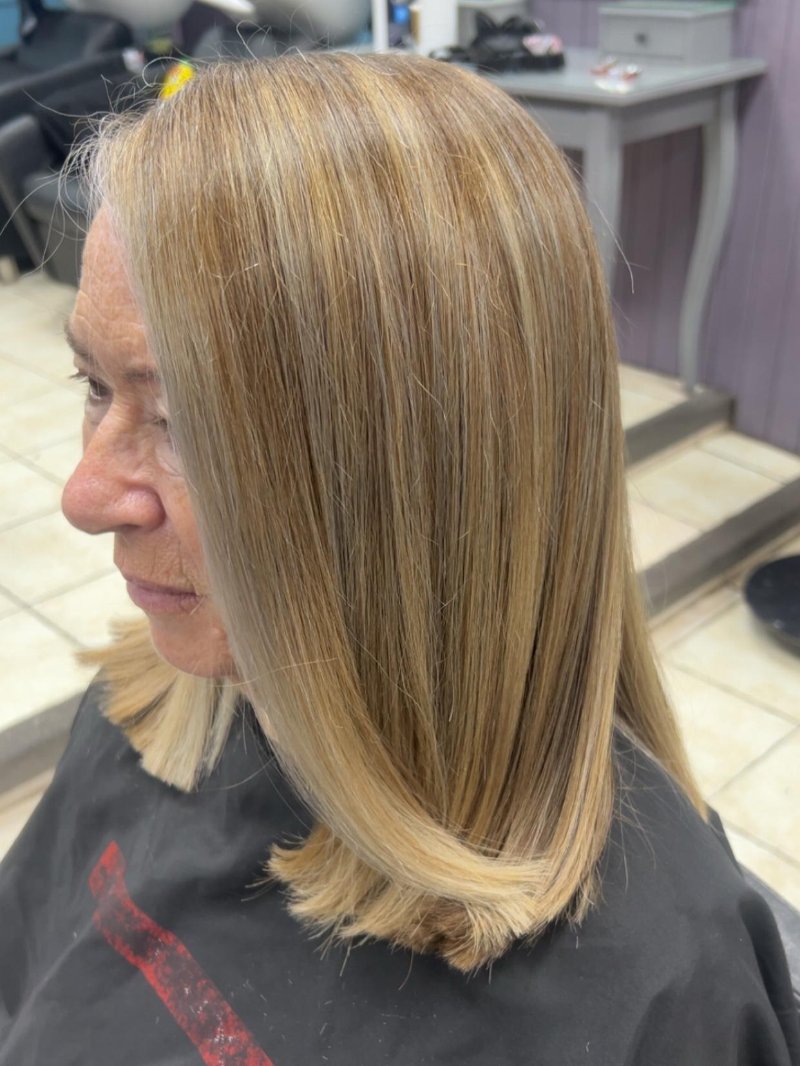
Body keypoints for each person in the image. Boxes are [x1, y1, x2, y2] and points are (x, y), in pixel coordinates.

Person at [0, 53, 797, 1065]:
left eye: (186, 422)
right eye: (92, 385)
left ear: (425, 477)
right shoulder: (149, 711)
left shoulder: (661, 996)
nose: (82, 497)